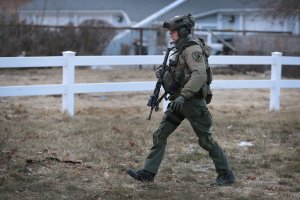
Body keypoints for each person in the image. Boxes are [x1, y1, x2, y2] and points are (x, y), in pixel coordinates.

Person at [127, 14, 235, 186]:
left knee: (205, 140)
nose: (171, 34)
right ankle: (148, 173)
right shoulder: (180, 47)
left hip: (191, 102)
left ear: (183, 31)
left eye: (173, 31)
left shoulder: (192, 49)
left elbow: (199, 75)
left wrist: (184, 95)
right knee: (160, 134)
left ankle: (226, 174)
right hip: (179, 101)